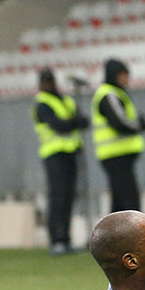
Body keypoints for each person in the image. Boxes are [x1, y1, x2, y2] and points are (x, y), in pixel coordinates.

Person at [32, 67, 90, 255]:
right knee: (58, 197)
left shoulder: (65, 100)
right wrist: (73, 122)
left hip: (71, 153)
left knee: (68, 197)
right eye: (45, 81)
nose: (48, 84)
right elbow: (58, 125)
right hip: (54, 154)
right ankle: (56, 239)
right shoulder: (42, 103)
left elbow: (84, 121)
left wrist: (72, 123)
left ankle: (65, 238)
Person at [92, 59, 145, 212]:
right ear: (114, 75)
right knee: (130, 201)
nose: (127, 79)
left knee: (119, 202)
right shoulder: (109, 94)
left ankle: (116, 228)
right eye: (124, 75)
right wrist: (139, 125)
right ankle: (132, 228)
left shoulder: (114, 93)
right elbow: (119, 123)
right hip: (116, 155)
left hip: (118, 155)